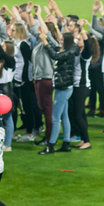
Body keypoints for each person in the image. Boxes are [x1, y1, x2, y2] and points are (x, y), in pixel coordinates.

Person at [37, 26, 79, 154]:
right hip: (64, 87)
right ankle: (66, 144)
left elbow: (55, 56)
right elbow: (55, 48)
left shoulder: (68, 52)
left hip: (63, 89)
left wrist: (45, 41)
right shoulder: (68, 50)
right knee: (64, 116)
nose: (59, 41)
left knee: (55, 118)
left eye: (61, 40)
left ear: (66, 41)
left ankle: (50, 146)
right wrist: (46, 36)